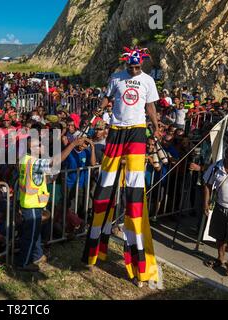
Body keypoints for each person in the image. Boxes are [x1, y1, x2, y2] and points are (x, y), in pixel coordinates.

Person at [82, 47, 161, 287]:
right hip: (115, 132)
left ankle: (139, 265)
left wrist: (155, 127)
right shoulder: (116, 77)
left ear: (142, 65)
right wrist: (99, 109)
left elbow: (150, 108)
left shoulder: (147, 80)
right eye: (131, 67)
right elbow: (107, 98)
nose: (134, 70)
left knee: (134, 194)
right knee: (105, 189)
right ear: (126, 64)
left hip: (137, 133)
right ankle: (94, 251)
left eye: (137, 67)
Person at [16, 135, 85, 271]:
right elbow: (55, 161)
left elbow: (33, 178)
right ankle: (23, 263)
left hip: (29, 201)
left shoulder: (24, 159)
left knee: (34, 234)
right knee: (30, 236)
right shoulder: (35, 162)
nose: (41, 146)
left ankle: (37, 255)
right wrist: (72, 144)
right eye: (38, 145)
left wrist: (46, 180)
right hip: (32, 203)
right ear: (31, 148)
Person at [203, 146, 228, 276]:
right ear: (227, 155)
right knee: (219, 236)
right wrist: (206, 203)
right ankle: (220, 259)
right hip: (220, 206)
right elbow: (208, 185)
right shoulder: (216, 167)